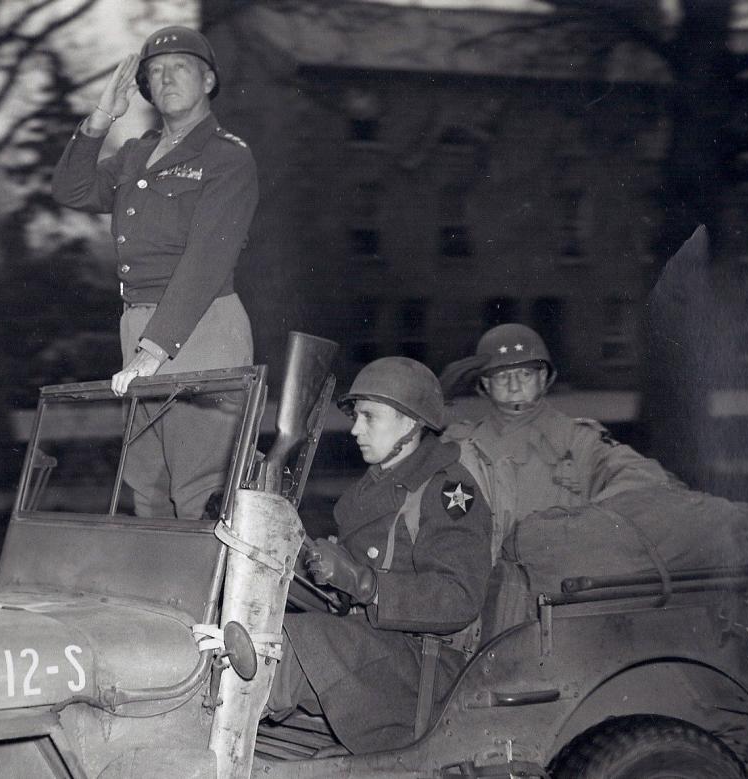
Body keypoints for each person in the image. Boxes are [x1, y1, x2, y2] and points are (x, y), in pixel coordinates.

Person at [51, 25, 257, 519]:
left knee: (199, 491)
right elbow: (71, 191)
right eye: (154, 72)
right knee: (147, 486)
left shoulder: (227, 157)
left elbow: (207, 260)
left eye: (179, 68)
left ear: (208, 81)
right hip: (140, 328)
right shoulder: (137, 154)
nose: (165, 79)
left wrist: (153, 350)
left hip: (200, 327)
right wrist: (101, 118)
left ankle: (211, 597)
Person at [266, 357, 493, 754]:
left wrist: (366, 584)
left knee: (287, 648)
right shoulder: (372, 486)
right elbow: (344, 589)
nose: (355, 429)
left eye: (370, 417)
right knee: (262, 629)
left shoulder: (448, 491)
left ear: (409, 422)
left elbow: (459, 598)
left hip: (424, 664)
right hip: (374, 643)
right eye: (356, 416)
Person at [441, 323, 676, 536]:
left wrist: (585, 522)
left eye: (525, 374)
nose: (514, 386)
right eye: (502, 377)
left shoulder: (577, 439)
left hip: (556, 569)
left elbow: (645, 475)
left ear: (542, 378)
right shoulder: (462, 444)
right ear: (486, 384)